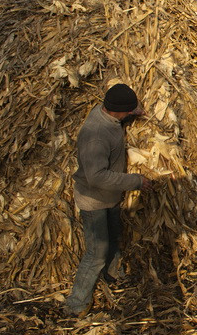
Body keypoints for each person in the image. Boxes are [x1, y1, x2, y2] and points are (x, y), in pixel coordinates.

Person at [64, 83, 152, 317]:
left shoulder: (106, 114)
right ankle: (76, 304)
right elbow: (96, 177)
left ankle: (113, 277)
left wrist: (133, 111)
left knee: (114, 237)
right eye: (127, 110)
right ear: (116, 112)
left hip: (110, 197)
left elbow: (119, 110)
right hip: (94, 201)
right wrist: (134, 181)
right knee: (97, 252)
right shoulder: (96, 137)